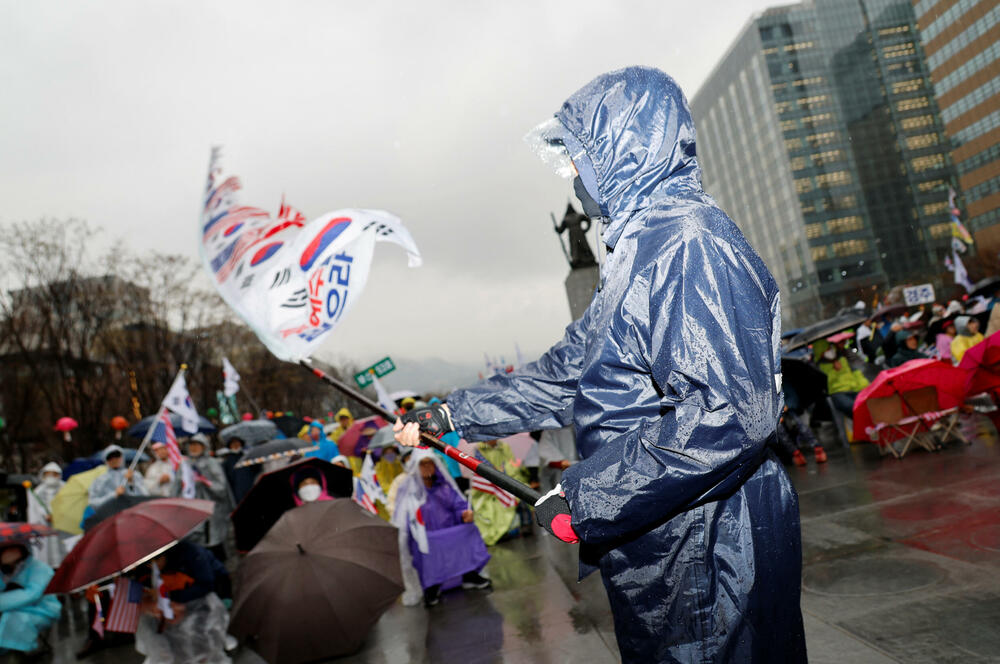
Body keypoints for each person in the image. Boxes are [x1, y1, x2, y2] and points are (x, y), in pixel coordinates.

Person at [396, 67, 805, 661]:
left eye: (579, 156)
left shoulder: (686, 243)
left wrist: (590, 496)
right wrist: (454, 414)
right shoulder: (637, 251)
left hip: (709, 544)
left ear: (624, 149)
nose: (572, 175)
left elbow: (729, 414)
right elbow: (569, 371)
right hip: (665, 536)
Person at [391, 449, 491, 608]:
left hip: (449, 532)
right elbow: (403, 520)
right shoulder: (408, 490)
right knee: (427, 543)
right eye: (422, 464)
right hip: (424, 537)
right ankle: (431, 587)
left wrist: (464, 513)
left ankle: (469, 574)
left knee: (469, 530)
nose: (427, 467)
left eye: (430, 463)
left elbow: (458, 504)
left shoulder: (444, 486)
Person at [135, 540, 231, 664]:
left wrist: (173, 597)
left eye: (157, 562)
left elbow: (206, 585)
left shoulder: (191, 554)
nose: (155, 567)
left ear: (164, 555)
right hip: (178, 605)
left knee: (205, 636)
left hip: (212, 594)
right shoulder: (147, 567)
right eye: (150, 565)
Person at [0, 542, 61, 656]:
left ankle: (16, 652)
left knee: (14, 620)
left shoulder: (40, 568)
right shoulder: (5, 570)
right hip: (13, 608)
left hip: (41, 609)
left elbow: (33, 594)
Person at [184, 435, 233, 563]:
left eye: (197, 445)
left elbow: (221, 488)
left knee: (214, 545)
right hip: (193, 513)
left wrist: (206, 481)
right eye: (191, 445)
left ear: (204, 447)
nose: (193, 448)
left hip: (212, 513)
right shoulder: (185, 465)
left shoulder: (212, 463)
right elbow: (178, 488)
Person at [469, 440, 524, 545]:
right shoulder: (478, 450)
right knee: (487, 507)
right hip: (486, 490)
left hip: (506, 483)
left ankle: (509, 529)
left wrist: (503, 472)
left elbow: (512, 467)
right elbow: (477, 473)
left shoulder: (504, 447)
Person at [26, 462, 76, 568]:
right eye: (48, 474)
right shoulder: (38, 491)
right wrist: (44, 515)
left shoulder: (66, 488)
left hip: (63, 528)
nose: (51, 477)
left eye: (54, 474)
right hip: (46, 527)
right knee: (47, 552)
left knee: (64, 552)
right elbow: (34, 508)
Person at [815, 339, 869, 419]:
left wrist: (865, 386)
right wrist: (833, 369)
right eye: (826, 350)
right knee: (851, 406)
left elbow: (855, 372)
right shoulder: (819, 367)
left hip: (854, 388)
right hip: (838, 393)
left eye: (830, 348)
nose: (830, 351)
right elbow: (827, 383)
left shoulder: (842, 358)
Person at [88, 445, 148, 510]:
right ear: (106, 460)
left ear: (122, 457)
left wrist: (131, 483)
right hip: (109, 516)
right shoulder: (100, 480)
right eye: (110, 457)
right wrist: (114, 495)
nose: (114, 459)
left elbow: (144, 497)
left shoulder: (134, 475)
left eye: (117, 456)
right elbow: (93, 503)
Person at [536, 426, 577, 493]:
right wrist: (561, 463)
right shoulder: (549, 431)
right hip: (556, 479)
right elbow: (548, 459)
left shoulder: (578, 426)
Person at [217, 437, 257, 505]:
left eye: (237, 442)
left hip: (252, 488)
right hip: (236, 492)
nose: (235, 445)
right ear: (230, 446)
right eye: (233, 443)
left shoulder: (248, 457)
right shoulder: (227, 462)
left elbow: (256, 470)